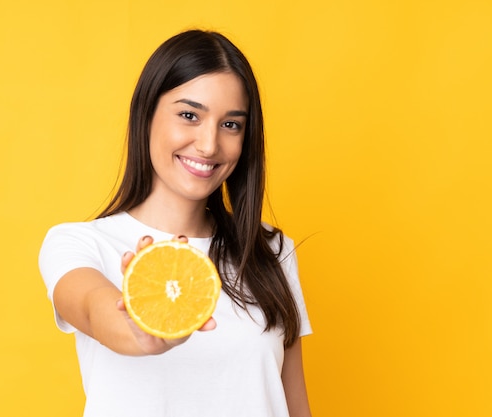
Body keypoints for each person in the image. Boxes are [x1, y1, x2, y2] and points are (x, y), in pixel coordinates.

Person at [39, 29, 313, 417]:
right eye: (189, 115)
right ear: (146, 113)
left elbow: (294, 404)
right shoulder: (78, 244)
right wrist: (141, 329)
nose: (208, 144)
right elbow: (92, 308)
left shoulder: (270, 250)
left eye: (231, 124)